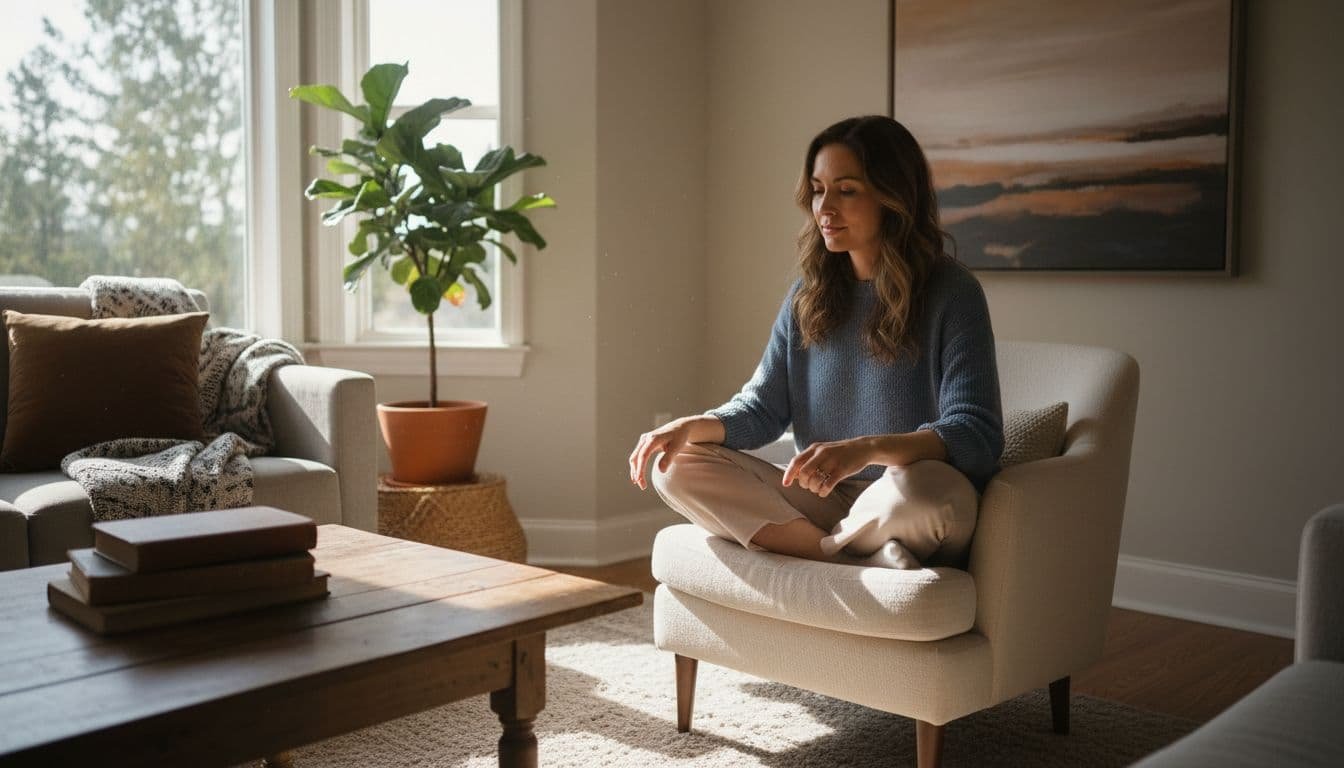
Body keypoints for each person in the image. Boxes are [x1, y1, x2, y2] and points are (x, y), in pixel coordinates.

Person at [628, 115, 1002, 569]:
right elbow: (762, 408)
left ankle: (837, 551)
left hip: (905, 496)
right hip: (822, 501)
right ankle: (852, 560)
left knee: (928, 496)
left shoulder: (953, 292)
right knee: (675, 465)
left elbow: (975, 435)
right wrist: (691, 426)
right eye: (819, 189)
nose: (825, 208)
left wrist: (864, 449)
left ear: (894, 196)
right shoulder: (808, 296)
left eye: (846, 190)